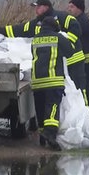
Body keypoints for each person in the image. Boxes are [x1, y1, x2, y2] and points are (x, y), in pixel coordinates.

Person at [0, 0, 88, 105]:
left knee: (79, 88)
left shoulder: (61, 16)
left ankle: (84, 110)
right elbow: (19, 29)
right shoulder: (37, 23)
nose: (36, 10)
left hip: (74, 60)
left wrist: (69, 43)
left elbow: (75, 26)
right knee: (62, 91)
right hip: (57, 64)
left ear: (46, 7)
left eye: (38, 7)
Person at [29, 16, 74, 150]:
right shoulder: (58, 38)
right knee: (52, 107)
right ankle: (50, 134)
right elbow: (70, 52)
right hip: (53, 80)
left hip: (37, 81)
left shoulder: (35, 39)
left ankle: (42, 135)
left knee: (40, 108)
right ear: (55, 27)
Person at [67, 0, 89, 114]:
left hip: (88, 58)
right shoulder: (80, 20)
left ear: (79, 8)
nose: (69, 9)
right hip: (86, 57)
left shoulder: (82, 22)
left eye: (72, 7)